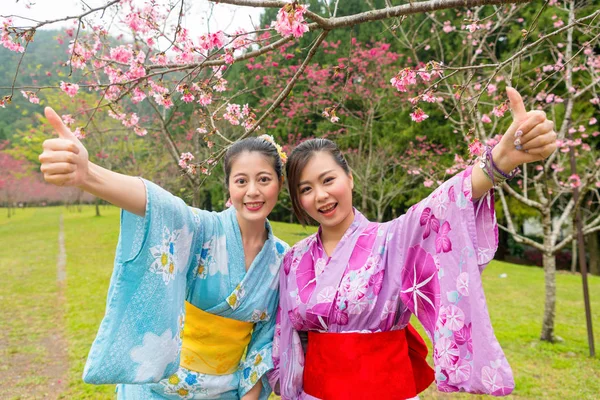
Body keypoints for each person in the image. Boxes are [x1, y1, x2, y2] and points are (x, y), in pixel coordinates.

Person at [268, 88, 558, 399]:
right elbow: (288, 339)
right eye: (306, 189)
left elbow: (438, 206)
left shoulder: (392, 239)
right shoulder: (294, 260)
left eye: (328, 180)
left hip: (385, 390)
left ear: (349, 178)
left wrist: (498, 162)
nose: (321, 196)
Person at [39, 107, 289, 400]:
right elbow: (160, 206)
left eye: (263, 179)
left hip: (226, 390)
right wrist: (89, 174)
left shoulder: (282, 258)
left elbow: (268, 337)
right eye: (241, 181)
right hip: (161, 384)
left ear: (279, 184)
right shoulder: (204, 230)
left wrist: (249, 393)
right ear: (229, 187)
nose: (252, 191)